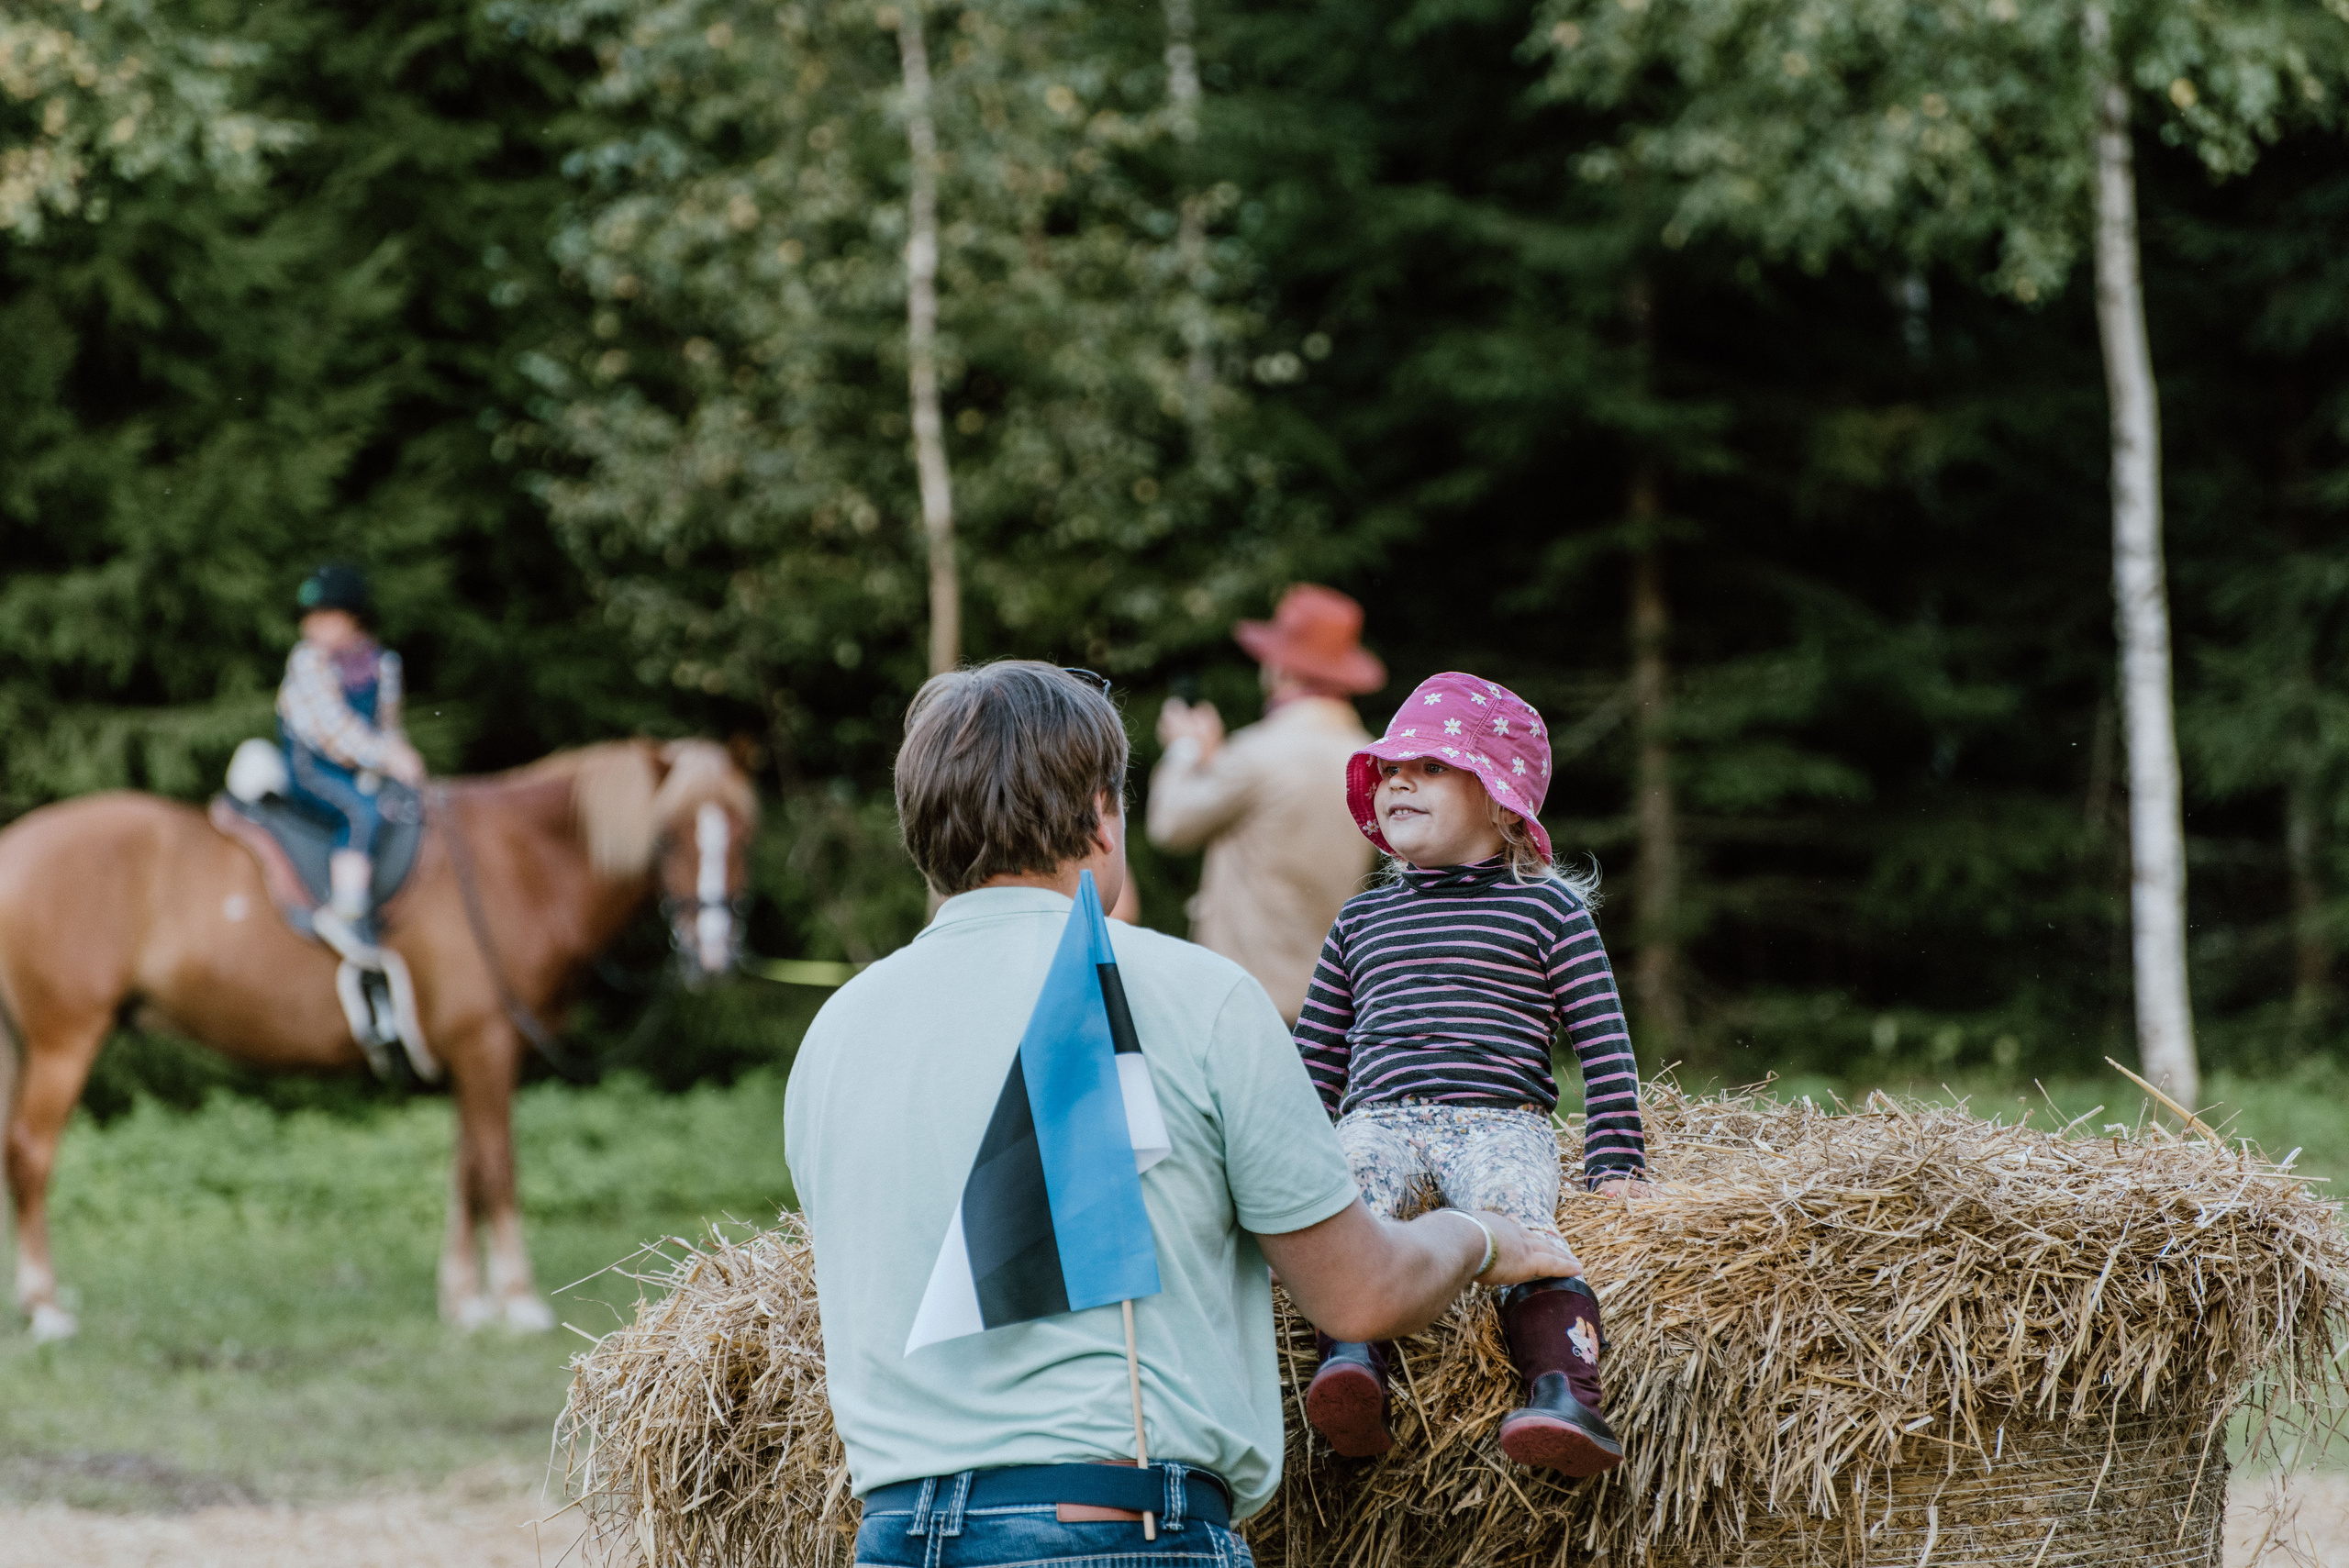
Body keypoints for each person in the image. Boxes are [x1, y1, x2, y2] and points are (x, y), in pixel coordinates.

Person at [785, 662, 1578, 1568]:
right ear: (1101, 813)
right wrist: (1479, 1232)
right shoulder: (1197, 995)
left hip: (891, 1535)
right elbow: (1359, 1291)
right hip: (1115, 1526)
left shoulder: (835, 1031)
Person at [1292, 671, 1647, 1477]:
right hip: (1377, 1115)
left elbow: (1604, 1043)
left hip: (1500, 1118)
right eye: (1388, 768)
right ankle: (1350, 1362)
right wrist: (1289, 1158)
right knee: (1349, 1193)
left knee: (1516, 1222)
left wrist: (1617, 1161)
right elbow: (1314, 1056)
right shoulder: (1361, 918)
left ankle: (1564, 1392)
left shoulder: (1546, 909)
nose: (1398, 780)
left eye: (1431, 765)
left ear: (1499, 797)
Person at [1147, 584, 1386, 1023]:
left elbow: (1169, 826)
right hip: (1330, 1005)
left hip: (1241, 1001)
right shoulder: (1369, 759)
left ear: (1282, 668)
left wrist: (1183, 750)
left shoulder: (1257, 753)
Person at [276, 563, 426, 942]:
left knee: (407, 808)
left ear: (353, 618)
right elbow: (334, 731)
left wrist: (402, 756)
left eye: (326, 616)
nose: (313, 627)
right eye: (310, 618)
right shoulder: (308, 661)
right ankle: (345, 911)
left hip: (362, 766)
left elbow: (387, 725)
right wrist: (386, 755)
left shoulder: (383, 665)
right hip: (312, 769)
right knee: (359, 811)